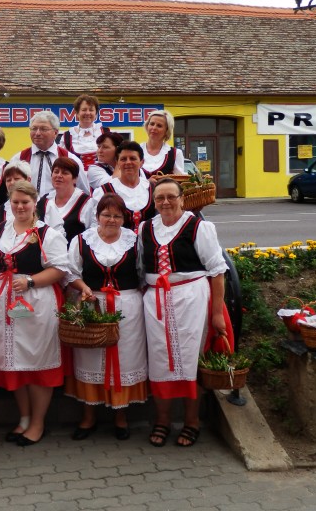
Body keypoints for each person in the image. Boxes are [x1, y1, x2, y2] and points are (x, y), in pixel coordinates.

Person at [139, 178, 228, 448]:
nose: (165, 202)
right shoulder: (145, 228)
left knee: (191, 359)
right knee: (159, 360)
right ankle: (162, 420)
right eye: (159, 198)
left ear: (182, 199)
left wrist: (217, 313)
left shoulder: (198, 227)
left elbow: (217, 271)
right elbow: (141, 268)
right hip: (156, 301)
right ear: (154, 202)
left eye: (171, 197)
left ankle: (192, 421)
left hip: (192, 299)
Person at [0, 181, 69, 446]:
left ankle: (37, 423)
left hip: (36, 302)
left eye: (25, 202)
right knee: (15, 363)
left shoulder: (47, 233)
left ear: (35, 203)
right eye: (15, 202)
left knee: (36, 361)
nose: (20, 207)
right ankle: (23, 418)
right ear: (9, 204)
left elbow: (60, 269)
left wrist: (31, 281)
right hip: (5, 304)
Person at [65, 193, 147, 441]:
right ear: (97, 216)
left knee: (125, 359)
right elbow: (70, 273)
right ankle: (88, 416)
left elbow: (143, 273)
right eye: (106, 215)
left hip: (128, 307)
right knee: (91, 357)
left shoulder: (135, 241)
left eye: (117, 216)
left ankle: (121, 416)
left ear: (124, 218)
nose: (111, 219)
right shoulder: (82, 240)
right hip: (93, 304)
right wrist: (84, 288)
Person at [8, 110, 89, 198]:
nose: (37, 133)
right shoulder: (18, 159)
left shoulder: (71, 159)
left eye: (43, 129)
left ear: (56, 132)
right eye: (34, 128)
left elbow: (84, 193)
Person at [93, 141, 155, 231]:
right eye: (123, 159)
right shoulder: (104, 191)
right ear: (117, 163)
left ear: (142, 162)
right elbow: (96, 225)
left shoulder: (152, 188)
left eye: (133, 158)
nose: (128, 162)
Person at [36, 157, 97, 244]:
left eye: (65, 173)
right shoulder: (44, 201)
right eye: (56, 172)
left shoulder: (87, 203)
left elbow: (93, 236)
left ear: (75, 179)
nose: (59, 175)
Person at [59, 94, 110, 170]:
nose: (88, 113)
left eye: (91, 110)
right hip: (77, 177)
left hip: (102, 176)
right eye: (84, 110)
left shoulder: (106, 133)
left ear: (96, 114)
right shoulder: (67, 136)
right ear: (77, 113)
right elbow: (61, 162)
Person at [140, 110, 186, 178]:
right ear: (147, 126)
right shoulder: (136, 150)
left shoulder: (175, 154)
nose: (154, 128)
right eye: (152, 124)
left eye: (159, 126)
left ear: (167, 130)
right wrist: (147, 182)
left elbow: (180, 180)